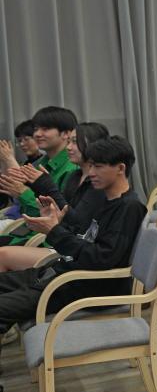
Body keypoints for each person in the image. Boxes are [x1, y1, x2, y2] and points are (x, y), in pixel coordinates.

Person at [0, 137, 147, 334]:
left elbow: (101, 258)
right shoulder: (104, 199)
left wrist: (54, 230)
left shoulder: (129, 207)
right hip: (58, 273)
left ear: (120, 168)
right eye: (91, 166)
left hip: (78, 287)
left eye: (98, 167)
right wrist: (56, 220)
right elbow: (81, 233)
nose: (91, 173)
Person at [0, 122, 110, 264]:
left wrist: (41, 188)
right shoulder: (75, 176)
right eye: (69, 142)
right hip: (52, 239)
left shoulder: (94, 181)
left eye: (74, 142)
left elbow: (78, 224)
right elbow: (59, 215)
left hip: (66, 248)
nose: (37, 134)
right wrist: (37, 188)